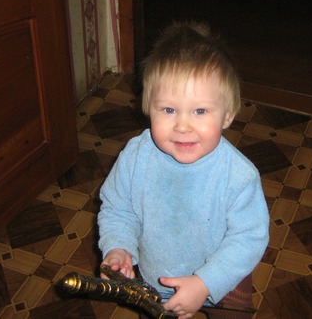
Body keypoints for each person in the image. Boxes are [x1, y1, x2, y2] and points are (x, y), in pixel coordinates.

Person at [97, 21, 270, 319]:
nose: (183, 126)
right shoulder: (136, 157)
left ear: (227, 115)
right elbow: (118, 209)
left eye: (200, 111)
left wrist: (206, 283)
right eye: (168, 110)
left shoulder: (238, 176)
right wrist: (118, 246)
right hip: (156, 279)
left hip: (224, 277)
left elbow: (249, 237)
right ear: (148, 107)